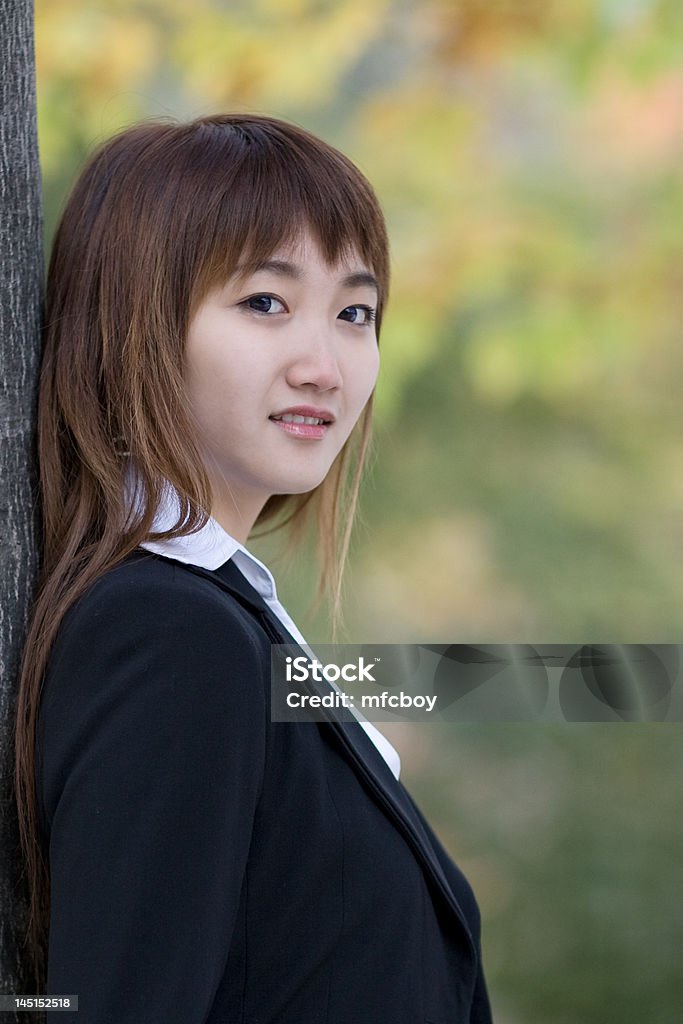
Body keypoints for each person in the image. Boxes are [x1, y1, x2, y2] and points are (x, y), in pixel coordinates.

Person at [14, 113, 493, 1023]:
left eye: (354, 312)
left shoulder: (221, 613)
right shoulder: (167, 632)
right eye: (265, 302)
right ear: (133, 326)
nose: (324, 366)